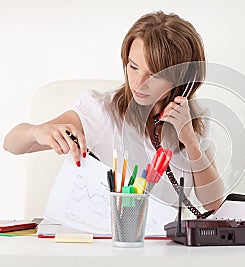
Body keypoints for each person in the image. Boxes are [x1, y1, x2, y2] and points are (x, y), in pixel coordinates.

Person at [3, 11, 224, 214]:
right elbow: (11, 143)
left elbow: (213, 204)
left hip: (165, 251)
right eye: (133, 67)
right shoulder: (101, 111)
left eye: (155, 74)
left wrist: (190, 141)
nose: (139, 83)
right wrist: (37, 132)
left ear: (184, 80)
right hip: (107, 246)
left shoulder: (196, 119)